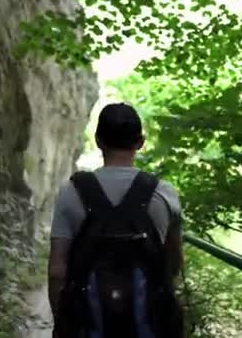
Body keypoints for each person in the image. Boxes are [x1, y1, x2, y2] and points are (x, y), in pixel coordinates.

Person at [48, 103, 184, 338]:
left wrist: (62, 324)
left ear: (99, 140)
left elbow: (57, 271)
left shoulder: (71, 192)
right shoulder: (164, 193)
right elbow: (173, 264)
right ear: (140, 142)